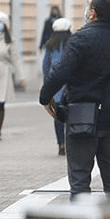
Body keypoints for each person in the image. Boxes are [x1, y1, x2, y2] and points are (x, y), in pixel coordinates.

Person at [39, 0, 110, 201]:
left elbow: (59, 72)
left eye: (88, 6)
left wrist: (46, 97)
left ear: (93, 13)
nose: (86, 10)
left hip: (81, 117)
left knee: (80, 180)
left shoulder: (80, 39)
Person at [0, 9, 25, 140]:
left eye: (0, 23)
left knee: (0, 103)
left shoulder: (10, 40)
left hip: (4, 71)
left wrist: (21, 77)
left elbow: (15, 58)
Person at [42, 17, 73, 156]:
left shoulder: (50, 44)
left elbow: (45, 65)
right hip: (70, 83)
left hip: (56, 84)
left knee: (58, 114)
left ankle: (61, 143)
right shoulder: (72, 43)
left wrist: (47, 84)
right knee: (71, 114)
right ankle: (69, 141)